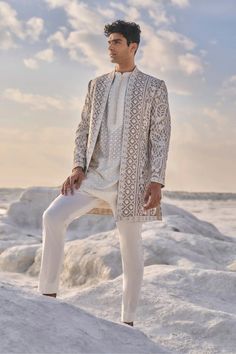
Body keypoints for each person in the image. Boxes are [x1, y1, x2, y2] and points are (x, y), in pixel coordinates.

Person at [38, 20, 171, 327]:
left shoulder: (154, 87)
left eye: (116, 42)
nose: (110, 47)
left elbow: (161, 136)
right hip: (95, 176)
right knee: (53, 216)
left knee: (130, 249)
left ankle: (128, 321)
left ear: (132, 47)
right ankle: (47, 295)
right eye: (109, 42)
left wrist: (156, 181)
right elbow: (83, 127)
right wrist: (77, 166)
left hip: (132, 181)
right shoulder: (96, 85)